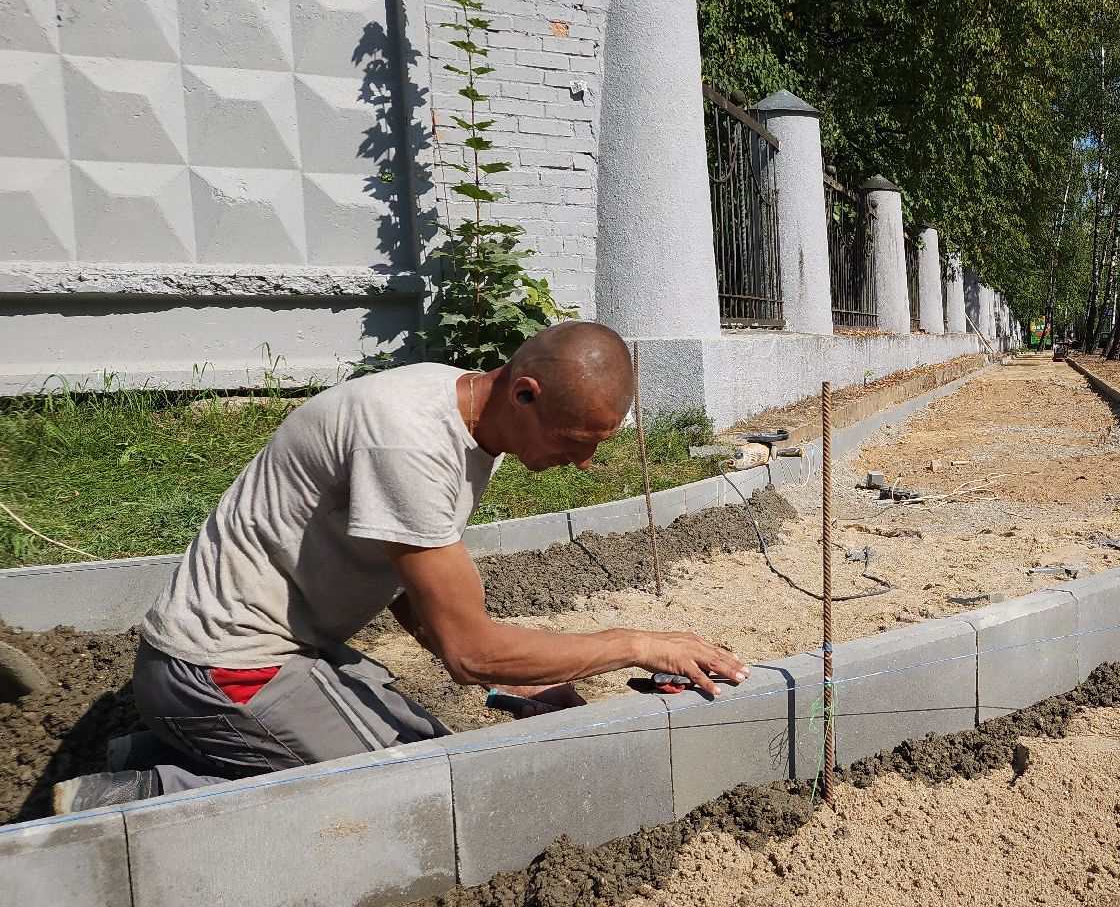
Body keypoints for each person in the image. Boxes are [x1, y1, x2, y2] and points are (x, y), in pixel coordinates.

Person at [53, 321, 747, 813]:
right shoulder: (411, 443)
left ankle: (170, 746)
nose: (587, 462)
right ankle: (140, 796)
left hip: (280, 651)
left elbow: (416, 600)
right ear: (525, 393)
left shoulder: (455, 410)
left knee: (431, 742)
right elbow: (470, 652)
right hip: (221, 666)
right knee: (413, 790)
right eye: (577, 441)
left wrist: (522, 681)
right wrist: (634, 644)